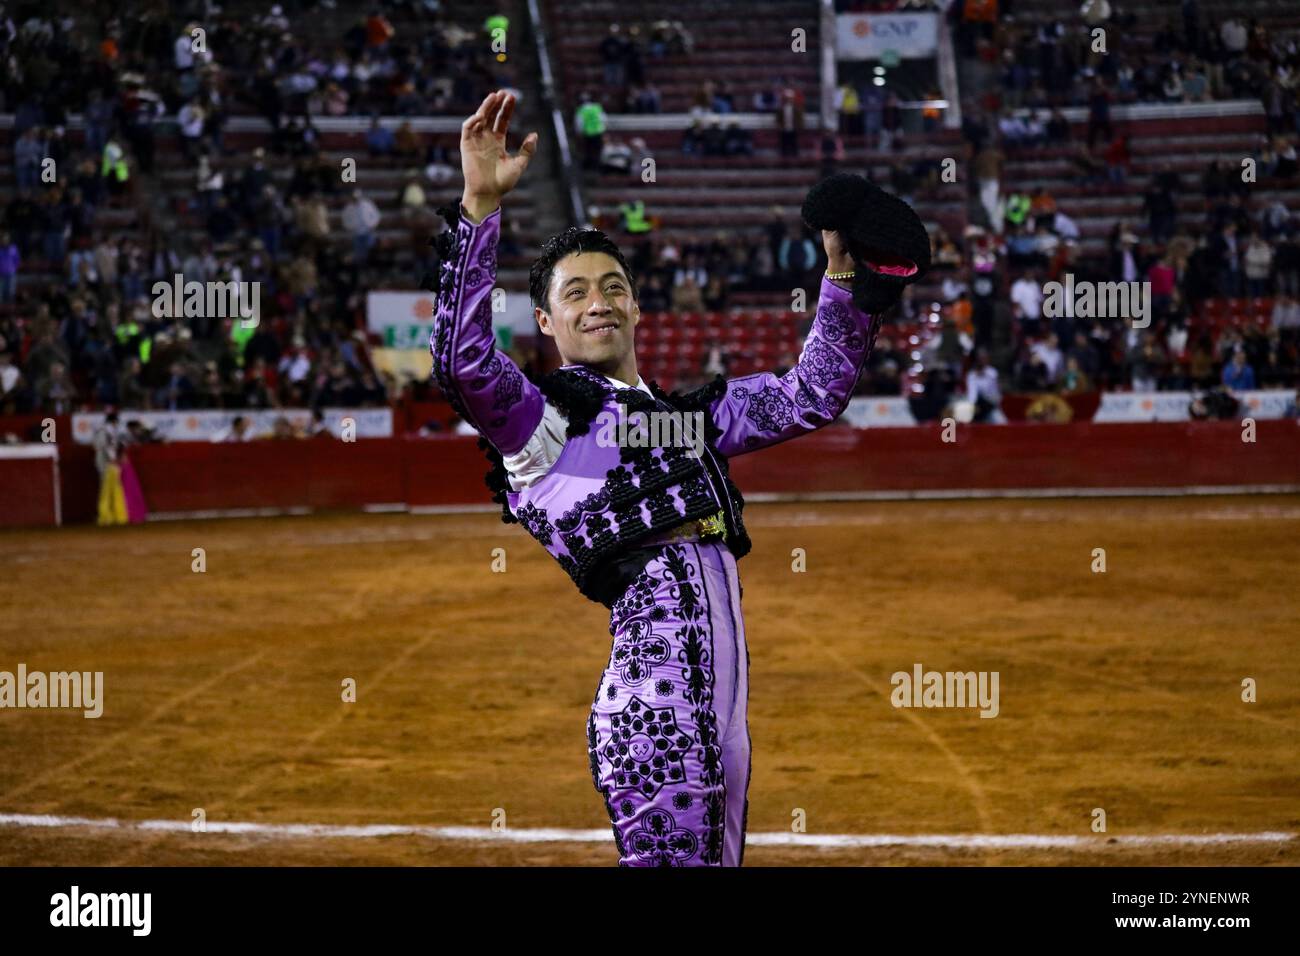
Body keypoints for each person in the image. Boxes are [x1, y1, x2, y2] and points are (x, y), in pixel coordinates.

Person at [429, 91, 925, 867]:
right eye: (576, 294)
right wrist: (479, 206)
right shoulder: (540, 427)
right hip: (654, 705)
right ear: (547, 326)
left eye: (615, 287)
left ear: (637, 309)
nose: (601, 302)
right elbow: (461, 363)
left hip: (720, 705)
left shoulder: (680, 420)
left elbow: (810, 394)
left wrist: (843, 279)